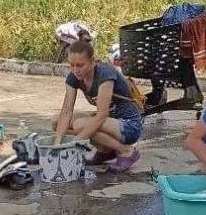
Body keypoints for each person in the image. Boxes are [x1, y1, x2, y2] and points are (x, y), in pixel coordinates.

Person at [53, 38, 143, 173]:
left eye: (80, 65)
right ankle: (105, 151)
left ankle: (126, 151)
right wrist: (57, 144)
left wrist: (75, 141)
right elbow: (66, 111)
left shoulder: (105, 74)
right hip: (110, 123)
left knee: (80, 125)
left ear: (92, 61)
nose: (75, 70)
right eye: (71, 65)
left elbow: (101, 115)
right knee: (56, 121)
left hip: (129, 126)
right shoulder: (74, 77)